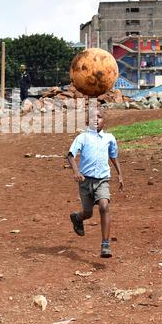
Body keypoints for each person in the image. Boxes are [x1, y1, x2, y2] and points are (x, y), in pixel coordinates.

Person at [67, 108, 124, 258]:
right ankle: (77, 218)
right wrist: (76, 172)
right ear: (87, 121)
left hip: (102, 180)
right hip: (85, 181)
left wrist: (120, 174)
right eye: (92, 117)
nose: (96, 119)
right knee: (88, 212)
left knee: (104, 206)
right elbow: (70, 155)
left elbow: (113, 156)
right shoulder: (82, 137)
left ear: (104, 121)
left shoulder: (110, 138)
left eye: (99, 117)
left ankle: (105, 244)